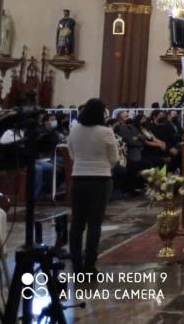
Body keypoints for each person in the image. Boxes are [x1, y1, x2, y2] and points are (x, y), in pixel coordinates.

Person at [67, 98, 119, 274]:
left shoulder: (74, 131)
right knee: (94, 223)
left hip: (78, 178)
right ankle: (89, 265)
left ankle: (75, 264)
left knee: (77, 223)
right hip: (100, 179)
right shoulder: (106, 132)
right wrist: (102, 166)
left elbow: (72, 154)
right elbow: (114, 158)